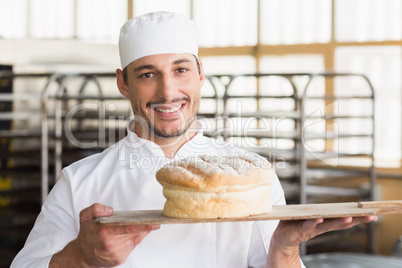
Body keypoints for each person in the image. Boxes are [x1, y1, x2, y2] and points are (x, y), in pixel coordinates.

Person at [11, 11, 377, 268]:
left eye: (181, 70)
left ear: (200, 74)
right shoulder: (79, 182)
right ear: (123, 82)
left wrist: (283, 248)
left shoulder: (250, 178)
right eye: (148, 74)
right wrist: (80, 258)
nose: (168, 91)